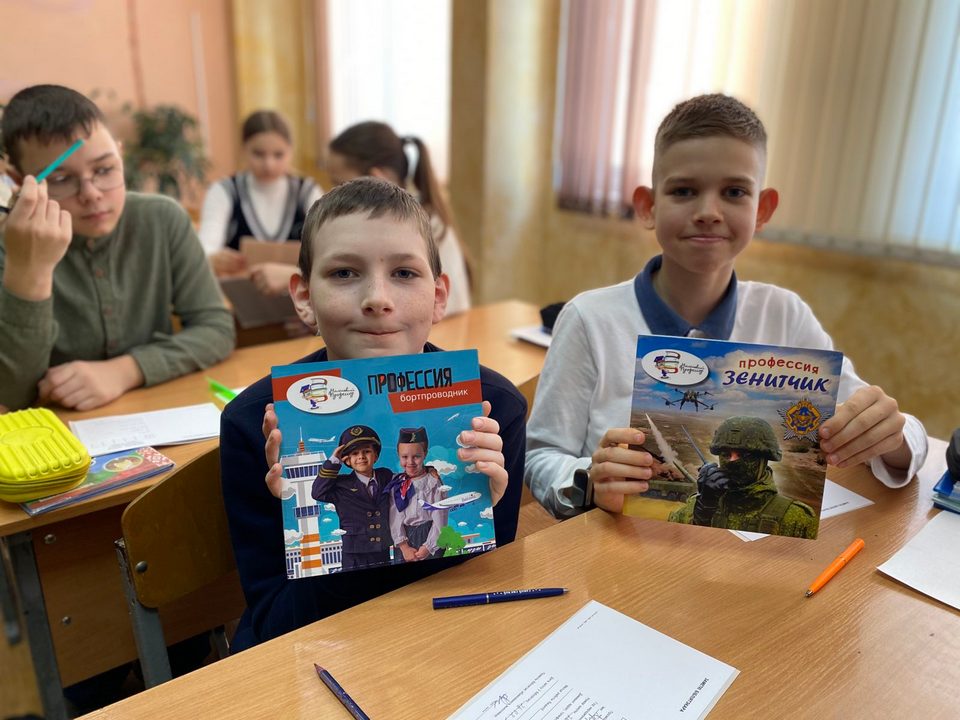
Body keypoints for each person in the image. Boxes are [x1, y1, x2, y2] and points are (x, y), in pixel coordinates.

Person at [525, 93, 928, 519]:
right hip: (623, 542)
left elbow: (900, 436)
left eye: (734, 192)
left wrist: (892, 437)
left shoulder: (785, 316)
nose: (708, 212)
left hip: (751, 550)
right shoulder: (589, 320)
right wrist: (590, 479)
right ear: (648, 206)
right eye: (684, 191)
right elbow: (540, 457)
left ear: (762, 210)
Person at [220, 177, 525, 651]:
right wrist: (308, 527)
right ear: (304, 297)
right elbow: (277, 628)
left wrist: (481, 509)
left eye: (404, 272)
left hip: (445, 647)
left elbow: (485, 605)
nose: (377, 299)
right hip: (319, 648)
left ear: (439, 297)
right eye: (344, 273)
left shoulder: (494, 410)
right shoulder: (252, 426)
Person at [0, 84, 235, 412]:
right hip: (53, 431)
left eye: (104, 169)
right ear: (17, 181)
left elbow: (216, 329)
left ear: (119, 155)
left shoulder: (162, 218)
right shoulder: (10, 248)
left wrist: (126, 371)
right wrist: (30, 270)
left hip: (154, 410)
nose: (91, 193)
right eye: (60, 179)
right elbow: (11, 396)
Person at [197, 110, 322, 294]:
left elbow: (328, 249)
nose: (268, 164)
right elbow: (205, 247)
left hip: (300, 300)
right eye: (258, 154)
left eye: (278, 155)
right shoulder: (223, 191)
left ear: (291, 151)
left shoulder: (308, 191)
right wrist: (212, 258)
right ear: (243, 150)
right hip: (240, 299)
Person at [667, 416, 818, 537]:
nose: (732, 461)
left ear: (764, 460)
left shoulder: (797, 519)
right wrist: (703, 511)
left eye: (743, 455)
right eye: (726, 454)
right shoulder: (698, 507)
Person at [310, 425, 396, 570]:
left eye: (367, 451)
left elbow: (406, 478)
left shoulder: (385, 475)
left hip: (382, 549)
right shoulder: (341, 485)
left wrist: (429, 470)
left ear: (375, 456)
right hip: (355, 554)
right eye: (355, 453)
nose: (361, 456)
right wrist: (334, 461)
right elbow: (317, 492)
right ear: (347, 460)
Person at [389, 426, 448, 562]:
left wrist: (428, 546)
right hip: (404, 539)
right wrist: (404, 547)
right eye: (404, 457)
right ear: (398, 454)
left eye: (416, 456)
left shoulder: (433, 482)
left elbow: (440, 518)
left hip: (430, 534)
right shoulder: (396, 483)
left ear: (425, 454)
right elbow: (394, 517)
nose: (410, 462)